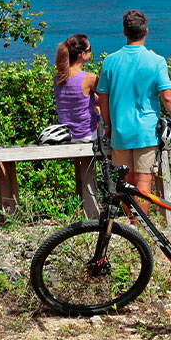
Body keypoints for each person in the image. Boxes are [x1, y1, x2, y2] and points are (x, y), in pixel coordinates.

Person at [97, 10, 171, 203]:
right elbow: (168, 96)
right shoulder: (156, 61)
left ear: (124, 32)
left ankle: (132, 227)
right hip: (146, 132)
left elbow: (102, 96)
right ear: (146, 31)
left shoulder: (110, 61)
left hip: (120, 131)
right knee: (144, 185)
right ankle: (140, 230)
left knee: (125, 184)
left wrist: (108, 125)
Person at [53, 33, 102, 219]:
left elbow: (76, 101)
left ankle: (84, 209)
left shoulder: (59, 77)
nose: (91, 53)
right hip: (86, 135)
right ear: (82, 54)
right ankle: (93, 210)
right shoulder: (89, 77)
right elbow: (106, 100)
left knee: (95, 105)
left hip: (66, 135)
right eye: (89, 50)